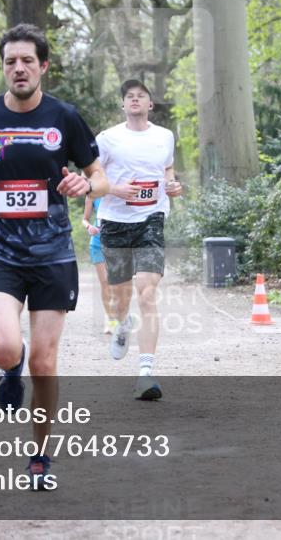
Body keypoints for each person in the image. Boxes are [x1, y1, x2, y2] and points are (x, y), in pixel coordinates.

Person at [0, 23, 106, 489]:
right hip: (0, 253)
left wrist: (86, 184)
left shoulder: (64, 117)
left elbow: (99, 175)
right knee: (8, 347)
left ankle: (40, 454)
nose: (19, 68)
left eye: (28, 60)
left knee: (45, 363)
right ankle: (8, 368)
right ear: (4, 67)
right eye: (11, 61)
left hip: (52, 255)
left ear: (43, 66)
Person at [96, 78, 182, 400]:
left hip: (151, 219)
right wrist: (114, 189)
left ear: (150, 104)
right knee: (120, 299)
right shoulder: (107, 139)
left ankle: (146, 373)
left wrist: (173, 185)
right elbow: (90, 181)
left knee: (147, 293)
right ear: (123, 105)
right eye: (129, 96)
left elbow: (168, 171)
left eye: (141, 96)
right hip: (115, 223)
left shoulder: (164, 137)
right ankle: (121, 324)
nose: (135, 100)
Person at [82, 195, 116, 333]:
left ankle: (121, 316)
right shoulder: (92, 194)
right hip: (97, 243)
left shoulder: (119, 190)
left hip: (118, 243)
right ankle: (111, 320)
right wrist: (89, 226)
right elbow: (84, 219)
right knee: (105, 283)